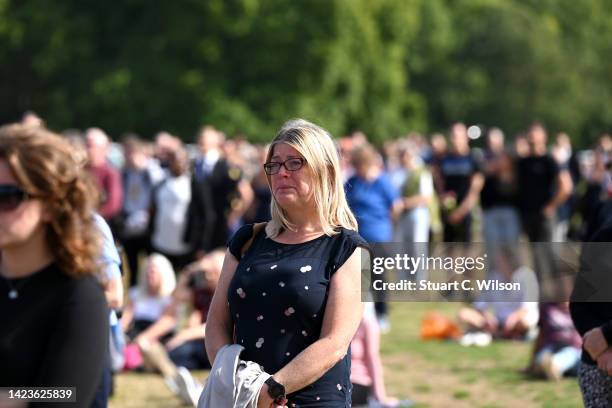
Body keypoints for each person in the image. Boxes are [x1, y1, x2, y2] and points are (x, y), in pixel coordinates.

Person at [206, 119, 367, 408]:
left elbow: (335, 342)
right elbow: (216, 322)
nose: (281, 173)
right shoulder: (247, 241)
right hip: (244, 398)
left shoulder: (347, 247)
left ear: (325, 171)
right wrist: (232, 381)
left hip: (311, 399)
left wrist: (272, 391)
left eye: (294, 163)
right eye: (275, 164)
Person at [0, 124, 108, 407]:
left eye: (8, 197)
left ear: (50, 205)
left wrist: (9, 397)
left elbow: (63, 394)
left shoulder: (79, 296)